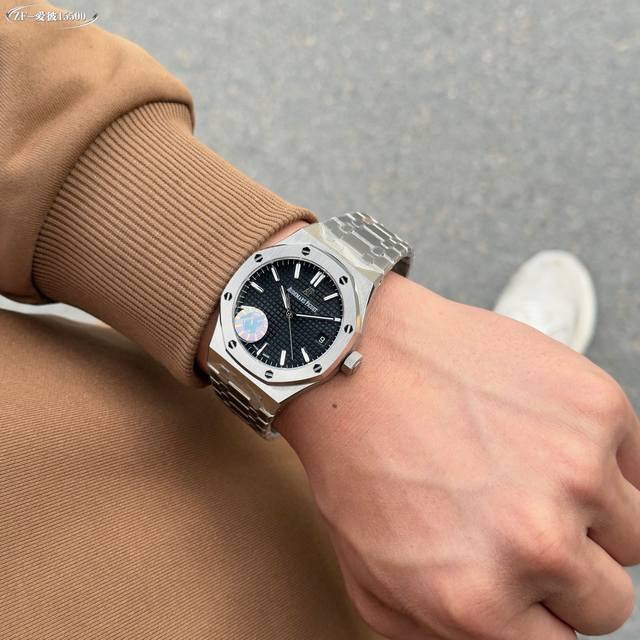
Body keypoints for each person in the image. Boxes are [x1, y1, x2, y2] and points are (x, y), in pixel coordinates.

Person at [1, 5, 638, 640]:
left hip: (173, 459)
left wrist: (369, 360)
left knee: (405, 511)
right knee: (464, 594)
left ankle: (455, 429)